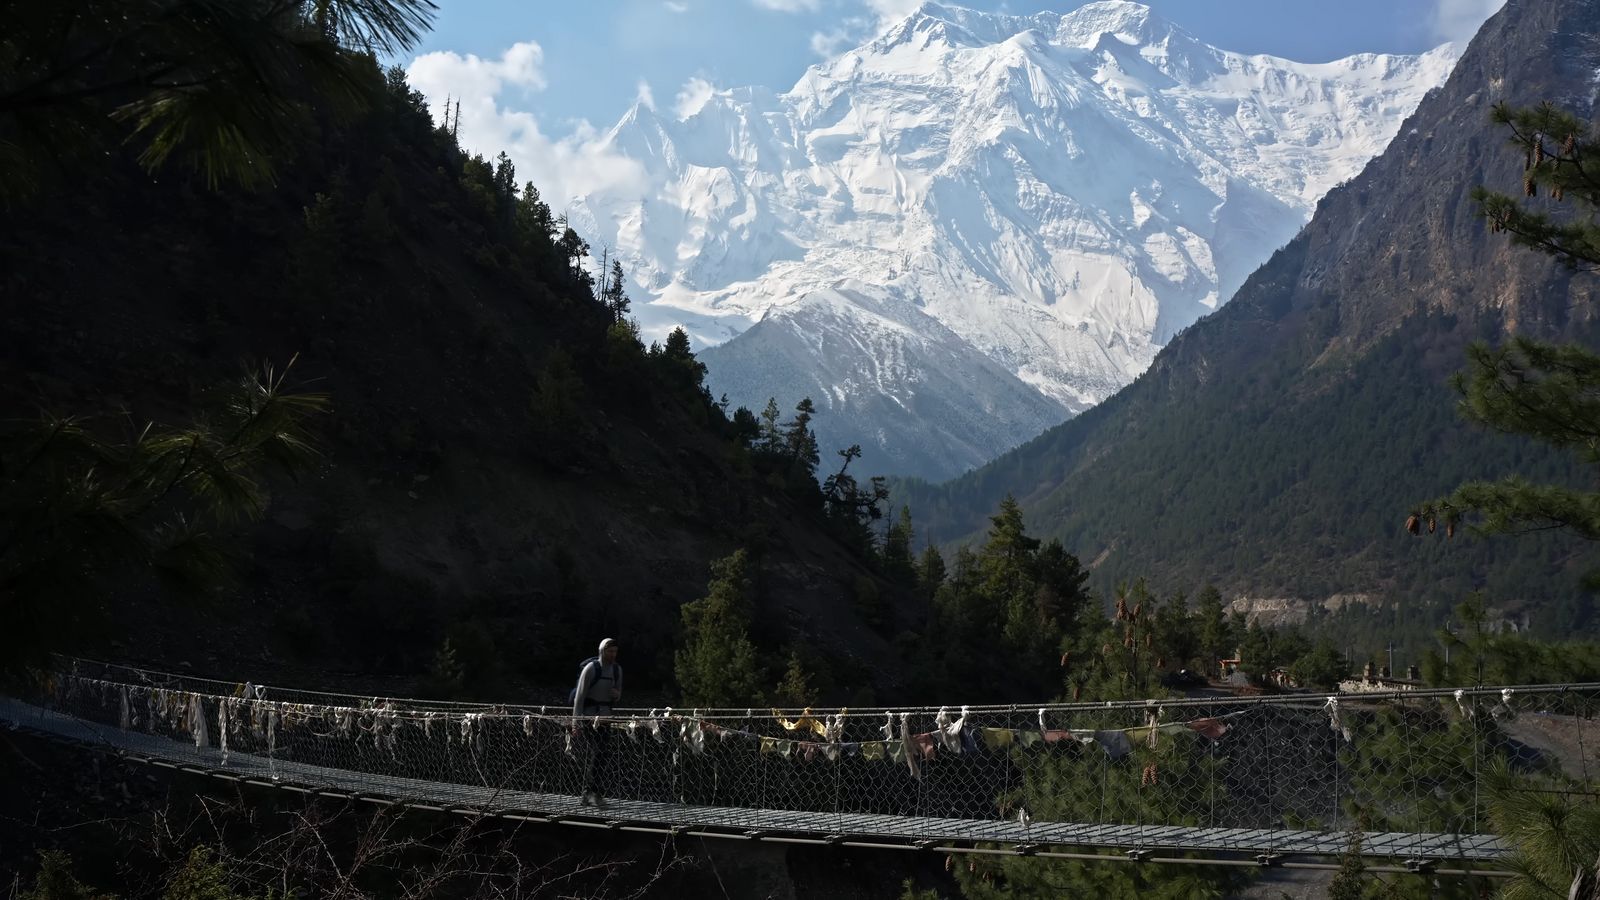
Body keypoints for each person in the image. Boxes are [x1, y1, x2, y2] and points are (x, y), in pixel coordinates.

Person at [572, 637, 622, 808]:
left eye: (615, 651)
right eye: (610, 651)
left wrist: (617, 695)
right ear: (602, 651)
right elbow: (579, 697)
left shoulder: (617, 670)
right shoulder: (591, 669)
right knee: (598, 752)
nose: (613, 655)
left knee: (602, 754)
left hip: (606, 718)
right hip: (589, 717)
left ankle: (591, 793)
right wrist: (576, 723)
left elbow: (618, 695)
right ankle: (591, 793)